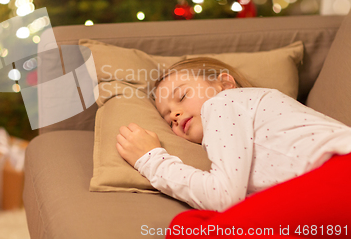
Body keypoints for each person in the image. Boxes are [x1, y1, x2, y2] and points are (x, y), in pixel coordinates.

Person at [116, 57, 351, 238]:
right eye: (168, 120)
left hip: (339, 173)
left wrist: (151, 160)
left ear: (224, 84)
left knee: (187, 227)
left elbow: (223, 197)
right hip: (327, 191)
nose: (175, 115)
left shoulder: (223, 103)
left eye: (182, 95)